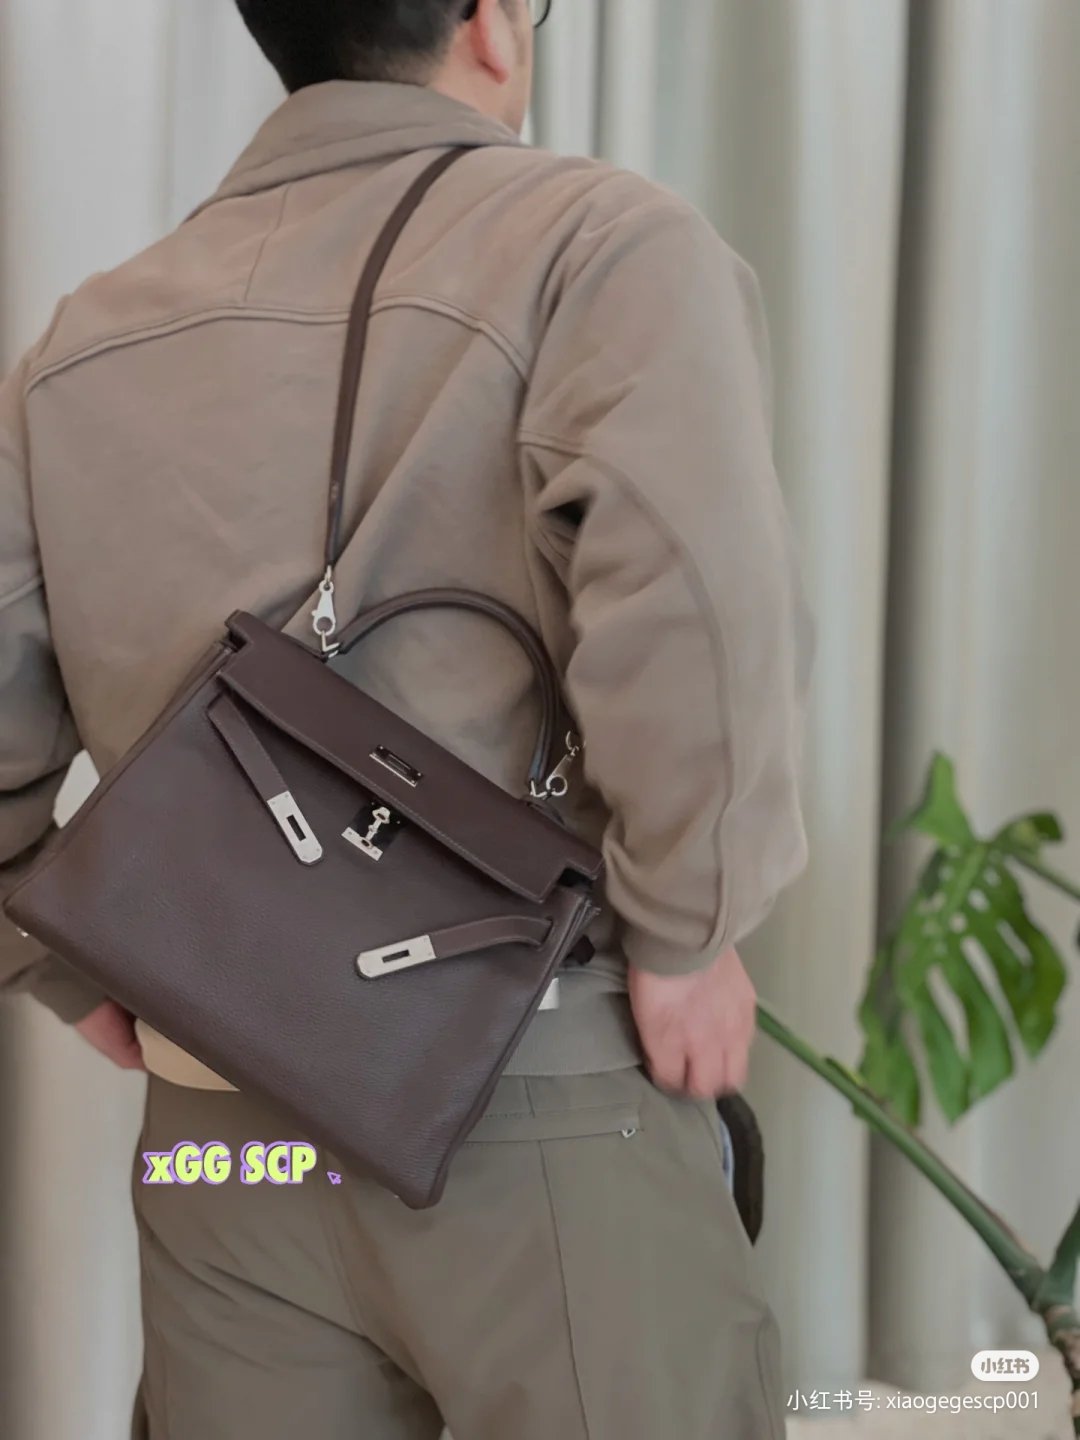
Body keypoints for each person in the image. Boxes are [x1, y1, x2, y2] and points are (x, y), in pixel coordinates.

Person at [0, 2, 812, 1436]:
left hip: (220, 1142)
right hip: (541, 1092)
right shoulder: (596, 247)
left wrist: (69, 965)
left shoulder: (83, 339)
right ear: (490, 22)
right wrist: (689, 932)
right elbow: (687, 596)